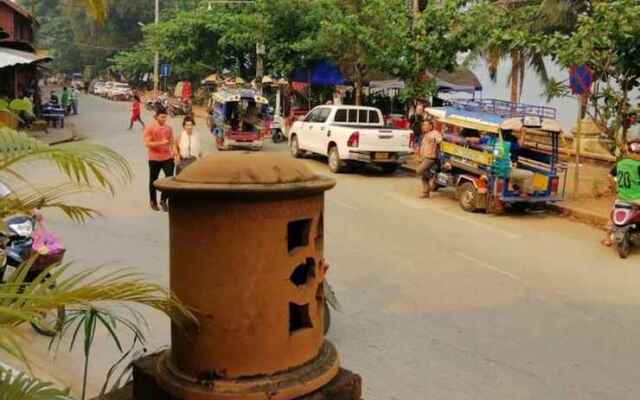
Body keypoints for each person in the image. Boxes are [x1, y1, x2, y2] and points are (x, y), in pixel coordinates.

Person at [602, 140, 640, 246]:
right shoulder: (638, 165)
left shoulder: (620, 163)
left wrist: (615, 189)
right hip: (637, 199)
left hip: (621, 197)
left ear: (628, 151)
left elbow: (610, 176)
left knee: (613, 213)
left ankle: (607, 238)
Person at [143, 108, 175, 212]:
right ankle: (153, 201)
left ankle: (163, 200)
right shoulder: (150, 128)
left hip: (167, 158)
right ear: (156, 116)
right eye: (162, 117)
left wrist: (174, 152)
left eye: (165, 117)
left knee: (169, 179)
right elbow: (147, 144)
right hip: (154, 158)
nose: (164, 119)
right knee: (153, 180)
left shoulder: (168, 128)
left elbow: (171, 142)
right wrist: (161, 143)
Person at [416, 119, 443, 198]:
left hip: (430, 157)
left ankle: (433, 177)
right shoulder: (424, 135)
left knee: (419, 170)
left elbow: (440, 140)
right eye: (423, 125)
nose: (424, 127)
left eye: (426, 125)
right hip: (424, 157)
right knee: (424, 177)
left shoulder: (435, 133)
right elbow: (422, 146)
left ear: (431, 126)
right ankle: (425, 193)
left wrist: (433, 139)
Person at [503, 128, 534, 195]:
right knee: (530, 174)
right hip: (506, 169)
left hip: (500, 168)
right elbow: (520, 145)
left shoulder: (498, 140)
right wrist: (523, 133)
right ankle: (525, 194)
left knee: (517, 171)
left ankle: (516, 188)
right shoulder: (507, 143)